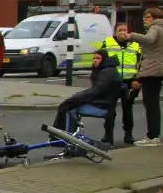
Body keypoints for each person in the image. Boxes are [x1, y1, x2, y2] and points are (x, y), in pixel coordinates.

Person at [50, 50, 123, 135]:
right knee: (67, 104)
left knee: (67, 107)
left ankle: (63, 135)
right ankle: (61, 134)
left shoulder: (106, 72)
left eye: (98, 58)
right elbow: (95, 90)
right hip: (101, 101)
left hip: (101, 104)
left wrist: (78, 97)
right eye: (94, 58)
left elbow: (96, 91)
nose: (95, 60)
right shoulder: (104, 70)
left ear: (104, 60)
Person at [93, 23, 142, 145]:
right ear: (115, 32)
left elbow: (142, 63)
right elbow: (100, 60)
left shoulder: (135, 44)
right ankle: (108, 136)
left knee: (128, 109)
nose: (123, 32)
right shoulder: (108, 43)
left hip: (130, 81)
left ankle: (129, 135)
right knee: (110, 110)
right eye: (120, 30)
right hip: (112, 81)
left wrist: (139, 80)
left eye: (125, 30)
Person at [128, 8, 163, 146]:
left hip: (152, 70)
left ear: (154, 18)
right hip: (159, 69)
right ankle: (154, 135)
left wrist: (132, 36)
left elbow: (149, 39)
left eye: (147, 17)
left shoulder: (155, 28)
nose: (145, 20)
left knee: (151, 103)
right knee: (154, 103)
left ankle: (153, 136)